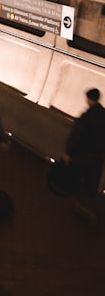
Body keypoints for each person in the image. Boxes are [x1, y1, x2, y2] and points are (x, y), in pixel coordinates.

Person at [65, 88, 105, 220]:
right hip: (98, 156)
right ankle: (87, 207)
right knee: (92, 182)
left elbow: (78, 136)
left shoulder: (87, 116)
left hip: (84, 154)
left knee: (79, 178)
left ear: (88, 98)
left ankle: (80, 206)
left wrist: (69, 152)